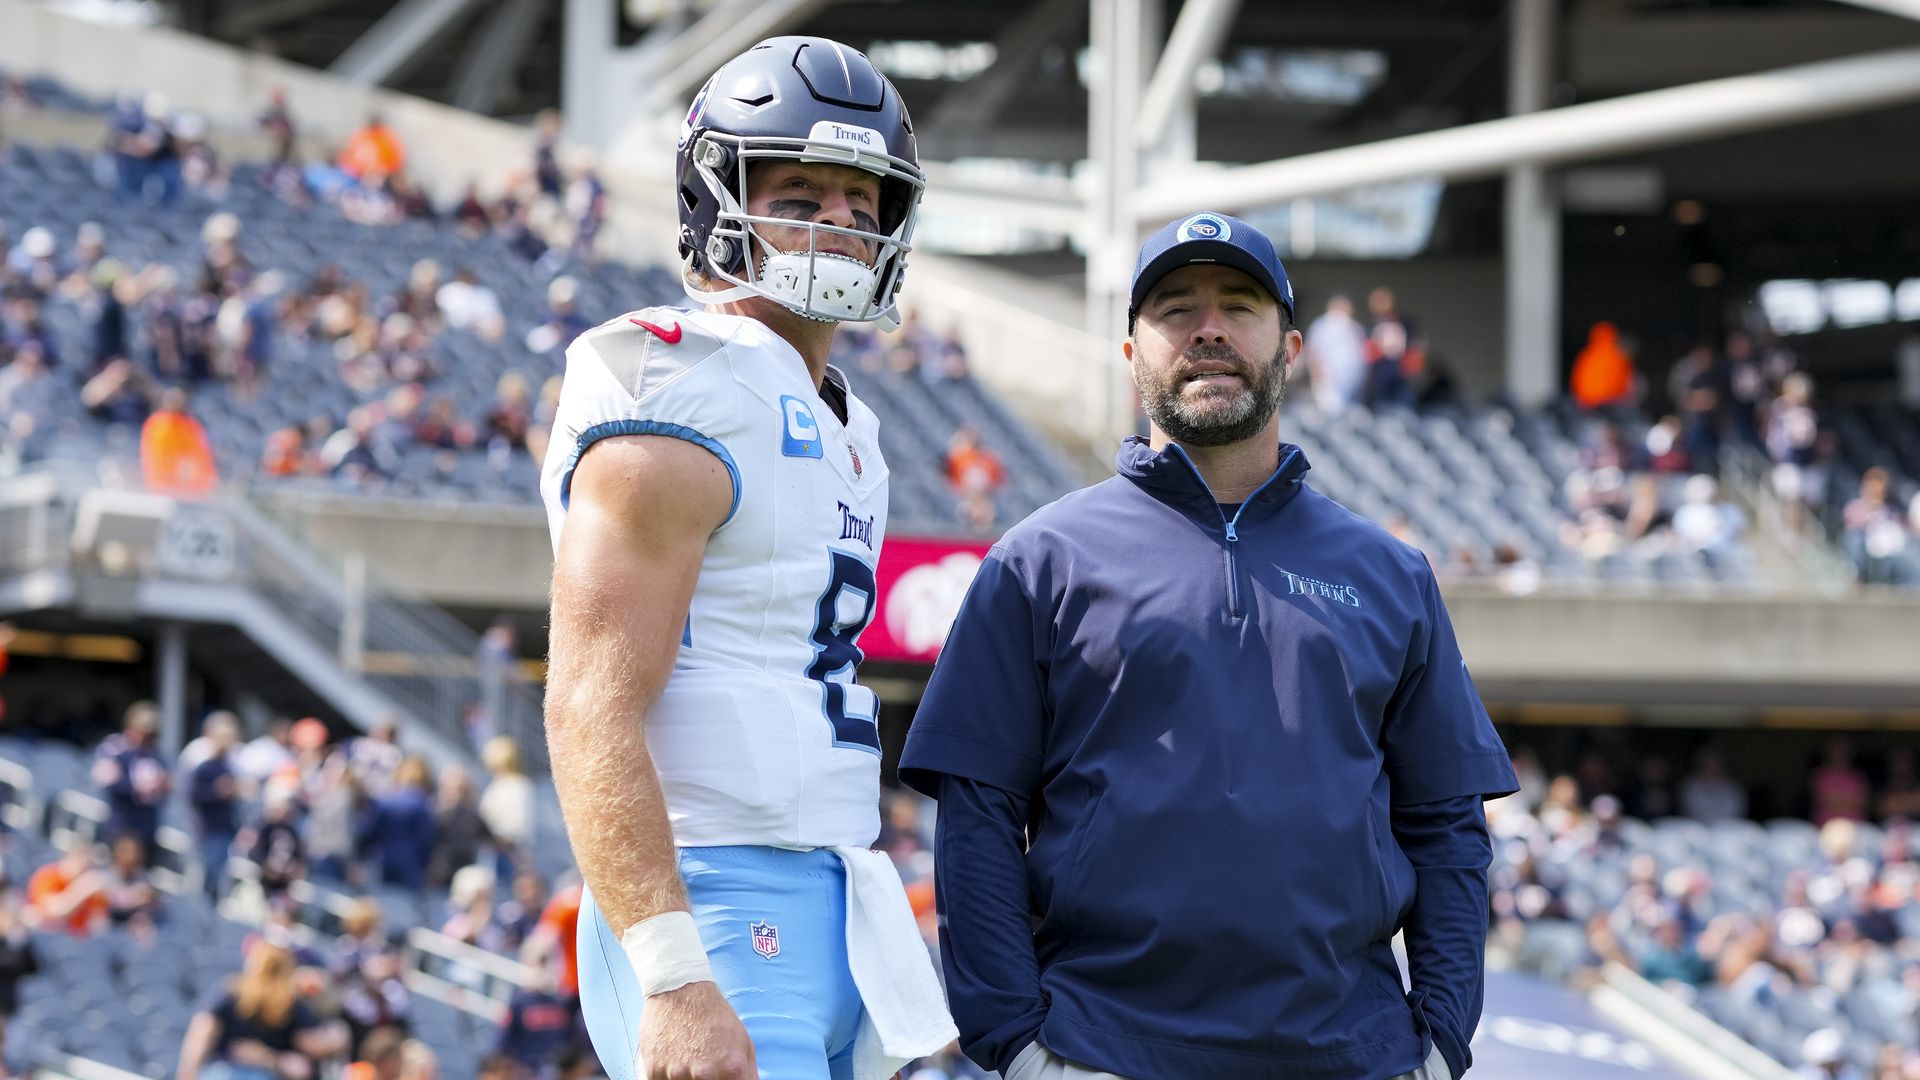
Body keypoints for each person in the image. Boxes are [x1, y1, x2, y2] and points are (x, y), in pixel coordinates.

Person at [900, 212, 1517, 1080]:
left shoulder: (1390, 573)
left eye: (1239, 304)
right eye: (1176, 309)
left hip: (1354, 1054)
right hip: (1098, 1050)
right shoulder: (1038, 562)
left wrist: (1441, 1046)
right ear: (1130, 355)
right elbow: (977, 818)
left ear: (1291, 347)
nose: (1210, 328)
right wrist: (1018, 1048)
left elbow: (1448, 827)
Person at [537, 36, 953, 1080]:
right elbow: (589, 701)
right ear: (716, 200)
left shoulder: (846, 420)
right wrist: (674, 973)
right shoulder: (677, 391)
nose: (842, 226)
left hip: (838, 894)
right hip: (715, 895)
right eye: (803, 193)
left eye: (863, 203)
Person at [177, 939, 335, 1080]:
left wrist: (266, 1058)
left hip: (251, 1072)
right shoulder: (233, 993)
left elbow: (301, 1067)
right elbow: (204, 1030)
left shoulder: (291, 1007)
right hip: (227, 1070)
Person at [93, 701, 172, 858]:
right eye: (145, 732)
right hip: (122, 828)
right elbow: (109, 782)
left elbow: (165, 789)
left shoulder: (156, 755)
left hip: (147, 829)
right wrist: (137, 787)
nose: (148, 738)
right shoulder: (114, 749)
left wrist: (164, 786)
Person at [1303, 294, 1367, 414]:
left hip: (1352, 384)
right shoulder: (1321, 325)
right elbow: (1312, 352)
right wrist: (1318, 376)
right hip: (1327, 382)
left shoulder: (1355, 328)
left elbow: (1362, 356)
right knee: (1328, 414)